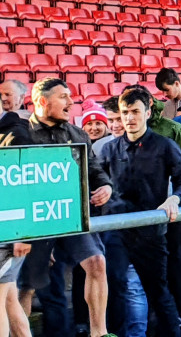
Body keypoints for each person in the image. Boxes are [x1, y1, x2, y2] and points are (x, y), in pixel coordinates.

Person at [20, 79, 113, 337]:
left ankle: (99, 332)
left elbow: (93, 170)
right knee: (26, 285)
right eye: (63, 97)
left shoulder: (77, 134)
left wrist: (106, 187)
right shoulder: (19, 135)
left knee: (96, 263)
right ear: (42, 102)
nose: (71, 103)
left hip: (71, 216)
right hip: (34, 224)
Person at [100, 87, 181, 337]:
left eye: (135, 112)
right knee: (114, 287)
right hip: (116, 232)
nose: (129, 118)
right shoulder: (109, 150)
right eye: (124, 112)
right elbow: (96, 182)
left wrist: (175, 197)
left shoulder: (165, 146)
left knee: (158, 291)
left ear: (148, 112)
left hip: (150, 232)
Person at [0, 97, 32, 337]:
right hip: (7, 230)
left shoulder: (16, 134)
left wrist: (23, 233)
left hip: (11, 233)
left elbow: (27, 185)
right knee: (9, 298)